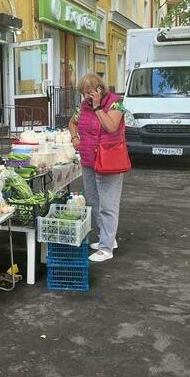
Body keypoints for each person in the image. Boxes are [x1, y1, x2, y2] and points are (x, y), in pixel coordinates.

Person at [68, 74, 127, 263]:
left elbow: (111, 126)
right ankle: (106, 238)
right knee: (93, 202)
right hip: (88, 160)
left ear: (99, 90)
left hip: (109, 161)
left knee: (108, 205)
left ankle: (106, 248)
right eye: (83, 94)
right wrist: (74, 137)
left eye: (89, 93)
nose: (86, 97)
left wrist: (98, 107)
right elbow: (72, 122)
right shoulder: (83, 107)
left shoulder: (116, 104)